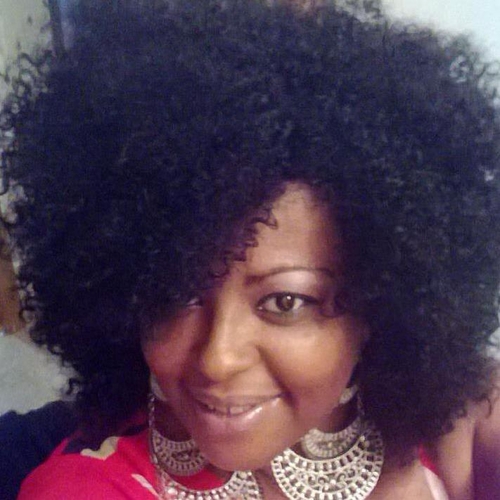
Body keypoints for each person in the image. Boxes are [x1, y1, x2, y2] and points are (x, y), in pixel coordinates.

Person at [1, 0, 499, 498]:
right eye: (176, 292)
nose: (217, 359)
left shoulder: (467, 438)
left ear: (381, 302)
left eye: (285, 302)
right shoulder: (82, 487)